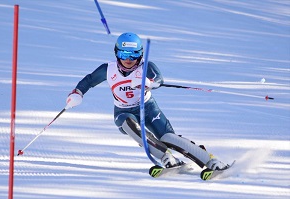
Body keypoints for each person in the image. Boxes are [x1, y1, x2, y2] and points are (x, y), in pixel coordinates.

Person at [66, 32, 227, 171]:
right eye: (123, 55)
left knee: (168, 138)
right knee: (128, 124)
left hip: (149, 108)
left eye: (133, 55)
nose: (128, 60)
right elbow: (89, 80)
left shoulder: (145, 66)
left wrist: (148, 82)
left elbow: (158, 79)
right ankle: (165, 157)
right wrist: (77, 93)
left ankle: (211, 160)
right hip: (123, 111)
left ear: (140, 54)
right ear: (116, 54)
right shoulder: (108, 69)